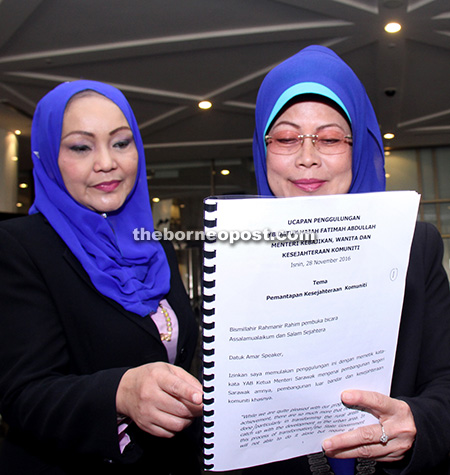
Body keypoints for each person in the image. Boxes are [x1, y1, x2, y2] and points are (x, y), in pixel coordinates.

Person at [246, 45, 450, 474]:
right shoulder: (235, 255)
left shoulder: (415, 247)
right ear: (261, 148)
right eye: (285, 137)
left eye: (331, 138)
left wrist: (417, 423)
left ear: (358, 147)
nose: (307, 157)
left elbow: (446, 380)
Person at [0, 80, 203, 474]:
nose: (107, 162)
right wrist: (120, 393)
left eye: (121, 143)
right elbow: (22, 395)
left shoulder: (156, 247)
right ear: (47, 158)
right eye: (81, 146)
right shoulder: (19, 248)